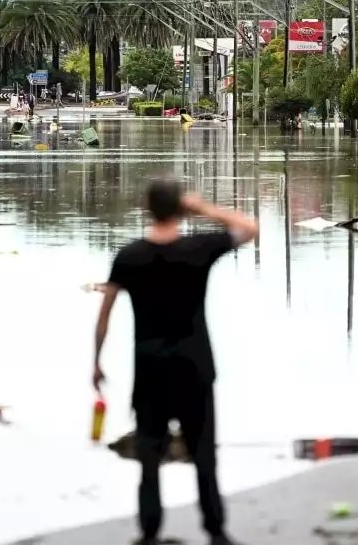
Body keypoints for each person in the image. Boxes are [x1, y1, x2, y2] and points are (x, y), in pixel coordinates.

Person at [92, 178, 258, 545]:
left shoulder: (129, 256)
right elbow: (249, 228)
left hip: (150, 369)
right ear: (180, 208)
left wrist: (96, 362)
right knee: (202, 452)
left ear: (147, 208)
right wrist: (203, 208)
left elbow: (104, 316)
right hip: (195, 367)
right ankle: (215, 530)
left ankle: (149, 532)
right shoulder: (199, 248)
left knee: (149, 454)